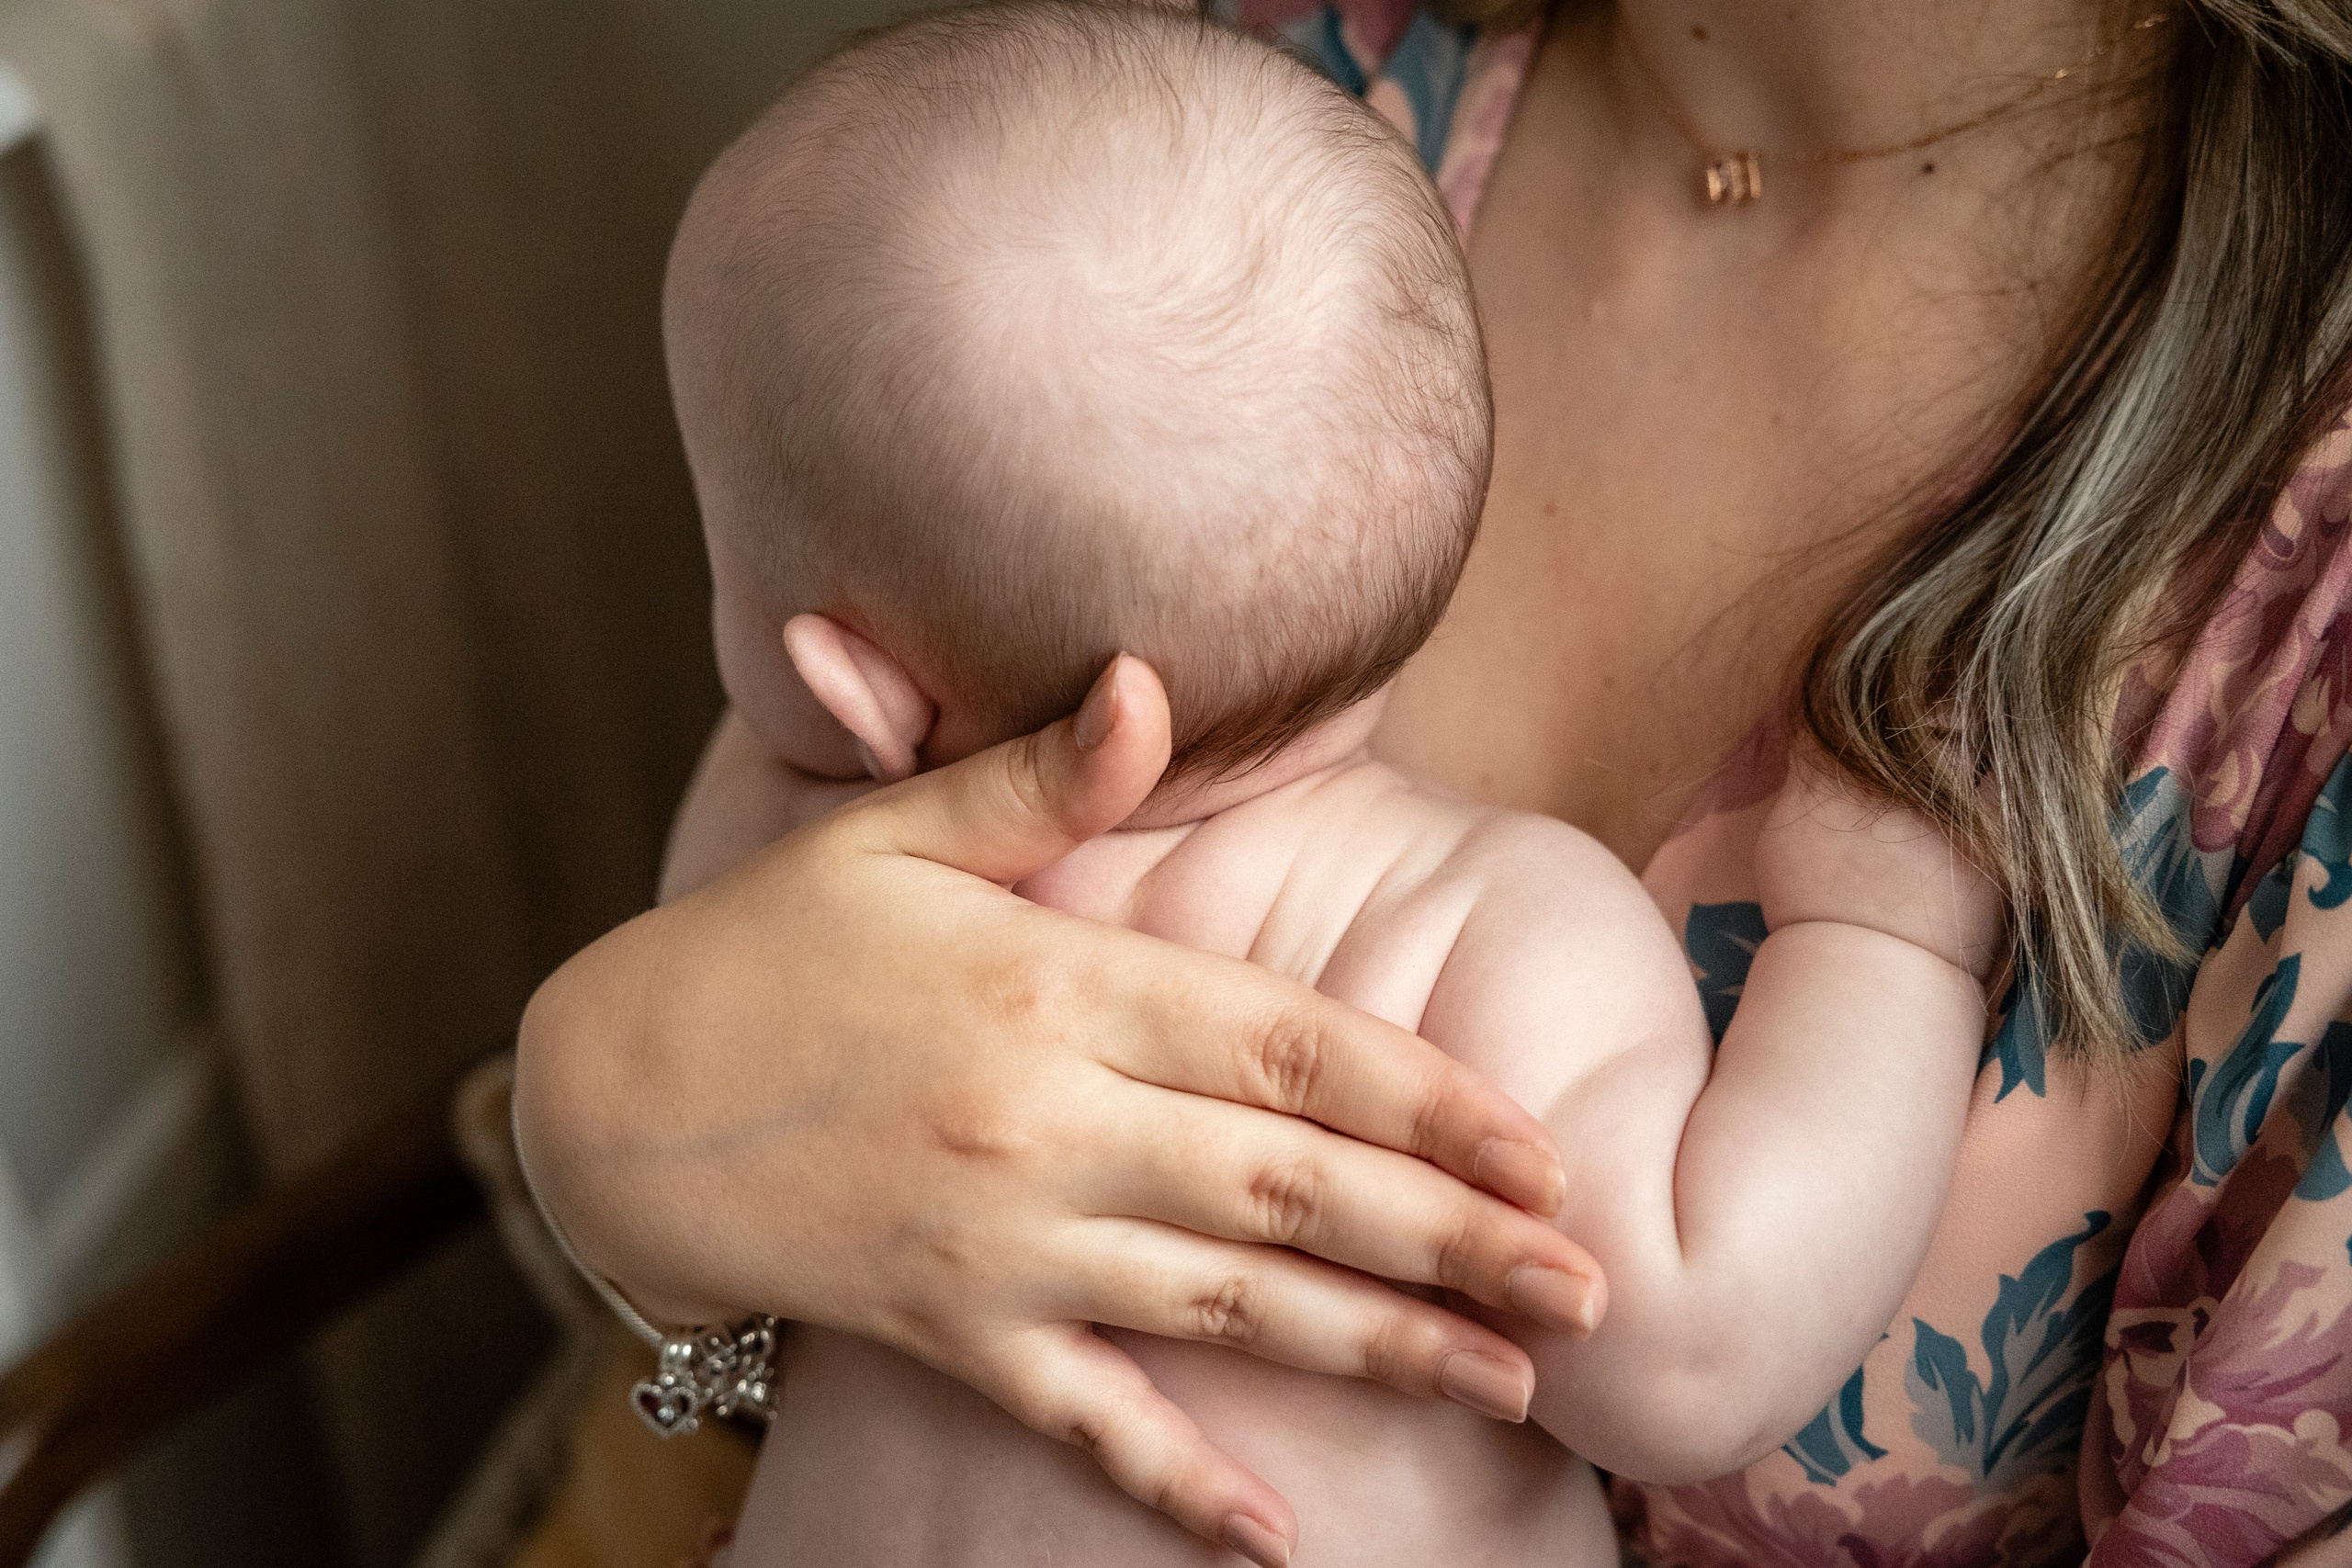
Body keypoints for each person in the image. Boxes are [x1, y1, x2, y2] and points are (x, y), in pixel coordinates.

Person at [513, 0, 2352, 1561]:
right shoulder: (1467, 922)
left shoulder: (809, 818)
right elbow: (1688, 1338)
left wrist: (614, 1096)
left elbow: (703, 1041)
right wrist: (1880, 941)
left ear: (851, 676)